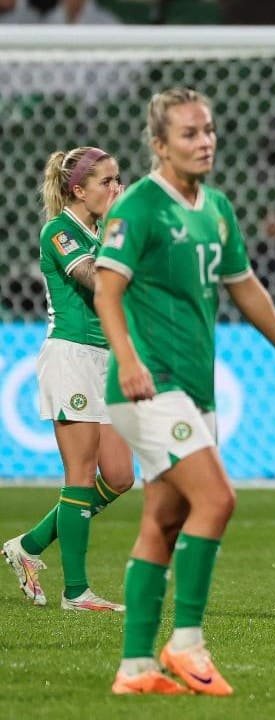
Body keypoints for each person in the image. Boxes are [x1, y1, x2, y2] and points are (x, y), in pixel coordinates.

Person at [95, 87, 275, 695]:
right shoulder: (139, 206)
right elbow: (106, 291)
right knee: (218, 500)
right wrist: (128, 361)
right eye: (190, 134)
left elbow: (245, 289)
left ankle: (135, 667)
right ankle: (187, 642)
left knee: (164, 521)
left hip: (193, 390)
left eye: (209, 130)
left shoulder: (216, 207)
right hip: (147, 388)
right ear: (159, 144)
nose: (205, 142)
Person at [2, 146, 134, 613]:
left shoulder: (105, 231)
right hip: (71, 355)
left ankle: (28, 546)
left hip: (107, 359)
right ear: (79, 190)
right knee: (80, 475)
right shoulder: (59, 231)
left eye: (119, 180)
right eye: (107, 182)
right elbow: (96, 280)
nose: (117, 189)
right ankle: (76, 592)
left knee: (119, 476)